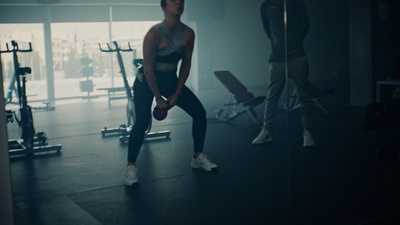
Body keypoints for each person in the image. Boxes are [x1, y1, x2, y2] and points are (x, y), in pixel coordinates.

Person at [124, 0, 217, 186]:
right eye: (174, 0)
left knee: (199, 113)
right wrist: (158, 98)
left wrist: (177, 92)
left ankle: (197, 156)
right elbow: (149, 70)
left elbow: (186, 64)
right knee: (141, 121)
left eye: (181, 0)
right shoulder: (153, 34)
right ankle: (130, 167)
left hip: (169, 79)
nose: (179, 3)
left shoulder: (189, 34)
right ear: (163, 6)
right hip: (146, 81)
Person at [253, 0, 326, 147]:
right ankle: (267, 131)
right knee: (272, 96)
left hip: (297, 56)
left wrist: (293, 43)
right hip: (277, 58)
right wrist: (279, 45)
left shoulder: (296, 3)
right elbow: (267, 29)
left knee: (303, 95)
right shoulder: (266, 5)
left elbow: (305, 25)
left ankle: (307, 132)